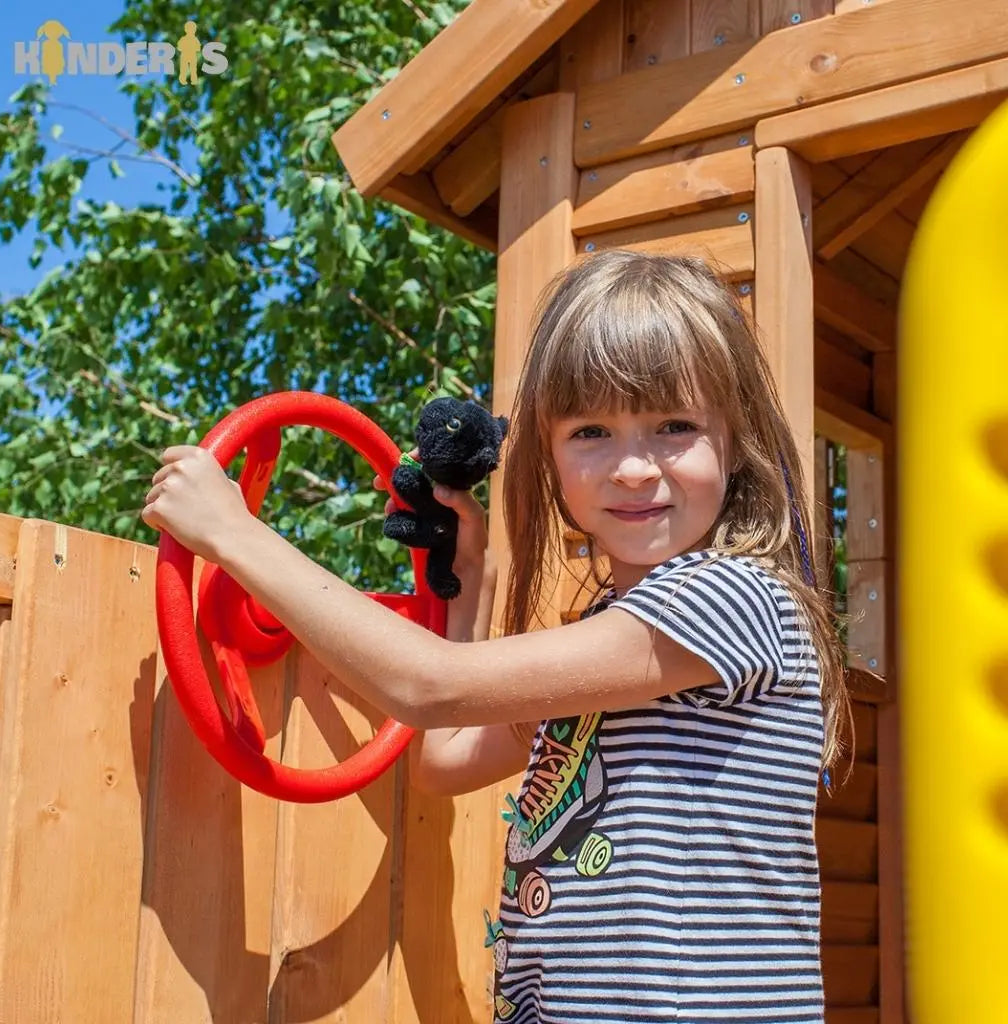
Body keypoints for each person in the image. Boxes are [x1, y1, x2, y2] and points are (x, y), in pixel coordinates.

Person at [143, 250, 850, 1023]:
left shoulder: (731, 598)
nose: (633, 468)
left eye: (674, 426)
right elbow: (444, 758)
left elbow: (429, 685)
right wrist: (469, 576)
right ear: (548, 457)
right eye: (592, 432)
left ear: (734, 435)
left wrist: (235, 538)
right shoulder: (605, 651)